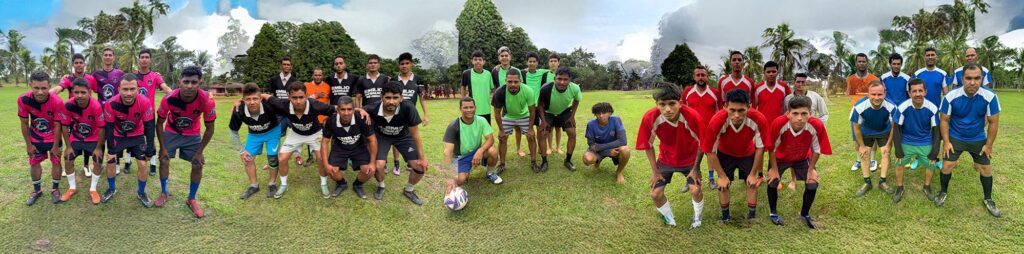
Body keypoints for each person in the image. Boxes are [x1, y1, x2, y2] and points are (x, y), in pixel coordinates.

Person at [937, 63, 1001, 217]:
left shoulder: (990, 96)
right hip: (956, 137)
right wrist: (946, 142)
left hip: (977, 137)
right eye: (969, 78)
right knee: (947, 165)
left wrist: (988, 145)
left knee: (985, 169)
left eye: (977, 78)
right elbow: (944, 120)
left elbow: (993, 122)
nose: (973, 82)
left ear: (982, 78)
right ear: (962, 78)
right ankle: (943, 192)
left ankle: (988, 199)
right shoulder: (951, 96)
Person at [637, 84, 705, 228]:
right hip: (666, 160)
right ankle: (669, 219)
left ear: (680, 103)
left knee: (696, 189)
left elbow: (703, 144)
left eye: (672, 104)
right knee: (655, 194)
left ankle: (697, 217)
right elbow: (648, 145)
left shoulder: (692, 117)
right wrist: (655, 171)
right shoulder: (650, 117)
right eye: (662, 104)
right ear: (656, 104)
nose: (667, 109)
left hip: (690, 159)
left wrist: (696, 168)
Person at [154, 66, 216, 218]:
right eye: (186, 82)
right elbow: (159, 123)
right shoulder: (169, 99)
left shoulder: (206, 100)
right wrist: (162, 148)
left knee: (198, 164)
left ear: (199, 83)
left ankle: (191, 198)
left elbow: (209, 129)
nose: (189, 86)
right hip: (172, 132)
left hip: (192, 134)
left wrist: (199, 152)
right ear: (179, 82)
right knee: (164, 160)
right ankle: (164, 192)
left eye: (194, 82)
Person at [702, 89, 769, 222]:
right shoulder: (717, 121)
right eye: (732, 110)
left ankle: (751, 216)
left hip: (747, 152)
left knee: (751, 183)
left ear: (749, 107)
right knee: (723, 185)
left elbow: (760, 147)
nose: (736, 115)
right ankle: (725, 217)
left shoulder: (758, 119)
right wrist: (721, 176)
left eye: (741, 110)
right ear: (725, 106)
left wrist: (753, 173)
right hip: (725, 153)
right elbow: (709, 150)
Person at [766, 96, 832, 229]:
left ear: (810, 114)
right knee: (773, 181)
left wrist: (811, 169)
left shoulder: (816, 125)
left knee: (812, 183)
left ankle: (804, 214)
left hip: (801, 158)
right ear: (788, 114)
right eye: (795, 113)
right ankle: (773, 212)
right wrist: (773, 169)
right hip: (780, 158)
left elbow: (817, 150)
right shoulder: (779, 123)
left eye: (804, 113)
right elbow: (772, 149)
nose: (799, 118)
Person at [263, 82, 337, 199]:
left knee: (322, 158)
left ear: (307, 95)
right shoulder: (283, 104)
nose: (298, 101)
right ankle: (283, 184)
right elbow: (265, 96)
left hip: (315, 134)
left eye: (301, 97)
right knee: (282, 159)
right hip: (295, 133)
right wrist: (240, 101)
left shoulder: (315, 105)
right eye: (294, 97)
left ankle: (323, 183)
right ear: (288, 97)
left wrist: (359, 111)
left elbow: (337, 108)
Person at [365, 82, 430, 205]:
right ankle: (381, 185)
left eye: (395, 98)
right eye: (388, 98)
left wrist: (422, 158)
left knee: (420, 166)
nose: (391, 101)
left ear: (401, 98)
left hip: (403, 137)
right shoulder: (373, 107)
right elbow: (354, 110)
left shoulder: (408, 108)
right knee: (379, 165)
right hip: (382, 137)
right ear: (381, 97)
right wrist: (361, 111)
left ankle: (409, 190)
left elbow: (415, 134)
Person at [100, 73, 157, 206]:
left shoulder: (144, 102)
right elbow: (109, 127)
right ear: (119, 89)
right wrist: (111, 150)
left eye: (132, 89)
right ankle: (111, 189)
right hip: (118, 135)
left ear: (138, 89)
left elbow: (149, 127)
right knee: (110, 161)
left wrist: (150, 148)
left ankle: (141, 192)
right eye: (125, 89)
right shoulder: (110, 103)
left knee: (143, 164)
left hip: (137, 135)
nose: (129, 93)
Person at [19, 70, 66, 205]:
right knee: (34, 163)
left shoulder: (57, 101)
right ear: (30, 85)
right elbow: (24, 123)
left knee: (56, 162)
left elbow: (58, 125)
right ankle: (37, 190)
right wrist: (28, 144)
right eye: (36, 88)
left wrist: (56, 146)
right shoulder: (24, 100)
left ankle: (55, 189)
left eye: (44, 88)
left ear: (50, 86)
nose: (40, 92)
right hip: (36, 138)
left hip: (53, 138)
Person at [891, 78, 941, 203]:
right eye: (914, 91)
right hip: (907, 139)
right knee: (899, 162)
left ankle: (927, 186)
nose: (917, 94)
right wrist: (898, 150)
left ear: (925, 91)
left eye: (920, 90)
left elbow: (936, 131)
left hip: (925, 140)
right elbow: (896, 129)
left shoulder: (933, 108)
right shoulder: (903, 107)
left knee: (931, 163)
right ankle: (899, 187)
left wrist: (934, 152)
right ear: (909, 93)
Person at [229, 84, 282, 199]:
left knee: (272, 157)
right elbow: (233, 131)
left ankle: (272, 184)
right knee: (247, 159)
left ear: (260, 98)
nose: (252, 102)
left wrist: (266, 95)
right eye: (248, 99)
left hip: (272, 132)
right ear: (243, 100)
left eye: (255, 98)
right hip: (254, 134)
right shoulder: (239, 110)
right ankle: (254, 185)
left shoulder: (269, 105)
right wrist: (241, 151)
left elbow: (284, 106)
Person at [320, 96, 378, 199]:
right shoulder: (331, 121)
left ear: (354, 109)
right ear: (337, 109)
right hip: (339, 147)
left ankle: (358, 184)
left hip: (358, 146)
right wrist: (325, 164)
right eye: (342, 109)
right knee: (332, 170)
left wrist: (372, 162)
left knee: (369, 170)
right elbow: (325, 142)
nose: (346, 113)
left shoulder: (362, 119)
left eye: (349, 109)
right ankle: (341, 183)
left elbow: (372, 140)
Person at [59, 78, 106, 204]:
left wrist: (98, 148)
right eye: (76, 92)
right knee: (68, 159)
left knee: (97, 161)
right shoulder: (68, 105)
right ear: (72, 92)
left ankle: (93, 189)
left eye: (83, 92)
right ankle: (72, 188)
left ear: (89, 92)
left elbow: (102, 128)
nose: (79, 95)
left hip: (94, 139)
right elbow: (64, 126)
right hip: (77, 138)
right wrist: (68, 146)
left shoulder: (96, 106)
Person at [444, 97, 503, 195]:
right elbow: (447, 152)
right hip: (460, 157)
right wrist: (449, 177)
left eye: (471, 107)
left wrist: (480, 151)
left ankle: (490, 173)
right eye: (465, 107)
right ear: (460, 109)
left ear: (475, 108)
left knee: (493, 151)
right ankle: (458, 181)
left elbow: (490, 139)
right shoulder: (453, 126)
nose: (469, 110)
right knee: (461, 180)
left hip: (476, 152)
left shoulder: (481, 120)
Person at [53, 53, 99, 178]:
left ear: (84, 64)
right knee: (70, 138)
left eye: (81, 62)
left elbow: (98, 91)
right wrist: (48, 94)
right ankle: (69, 165)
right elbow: (58, 88)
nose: (79, 65)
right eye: (76, 63)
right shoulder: (68, 79)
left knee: (87, 136)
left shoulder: (91, 78)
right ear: (73, 65)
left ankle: (86, 165)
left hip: (87, 112)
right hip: (72, 113)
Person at [851, 81, 896, 196]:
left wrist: (888, 144)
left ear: (884, 94)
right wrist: (861, 146)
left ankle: (882, 181)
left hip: (883, 130)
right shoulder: (859, 107)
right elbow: (856, 128)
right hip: (866, 131)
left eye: (880, 94)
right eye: (873, 94)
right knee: (864, 154)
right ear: (868, 94)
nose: (877, 97)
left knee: (886, 153)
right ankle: (867, 182)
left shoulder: (891, 106)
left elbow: (893, 127)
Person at [390, 52, 431, 176]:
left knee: (412, 138)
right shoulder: (393, 79)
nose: (404, 66)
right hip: (396, 114)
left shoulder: (418, 79)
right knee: (396, 139)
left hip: (411, 115)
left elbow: (422, 98)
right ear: (399, 66)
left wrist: (426, 114)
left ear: (411, 64)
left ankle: (409, 161)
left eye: (407, 63)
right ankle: (396, 164)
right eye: (402, 64)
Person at [136, 48, 175, 177]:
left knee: (150, 139)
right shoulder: (133, 75)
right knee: (133, 137)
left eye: (147, 57)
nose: (144, 59)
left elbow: (165, 88)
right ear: (139, 59)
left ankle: (152, 163)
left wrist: (177, 95)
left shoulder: (155, 76)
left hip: (149, 115)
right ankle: (128, 161)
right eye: (142, 57)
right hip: (134, 114)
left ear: (150, 60)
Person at [492, 68, 538, 173]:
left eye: (516, 82)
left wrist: (530, 128)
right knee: (502, 138)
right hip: (508, 116)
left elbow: (532, 111)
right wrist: (501, 130)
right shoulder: (499, 92)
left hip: (524, 116)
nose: (513, 84)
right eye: (510, 82)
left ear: (520, 81)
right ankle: (502, 164)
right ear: (505, 81)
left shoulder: (528, 90)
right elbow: (497, 113)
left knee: (531, 137)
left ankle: (533, 162)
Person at [92, 48, 131, 174]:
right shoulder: (96, 74)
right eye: (105, 55)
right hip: (101, 112)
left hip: (116, 111)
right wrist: (67, 76)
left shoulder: (120, 74)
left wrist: (155, 74)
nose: (108, 57)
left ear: (113, 57)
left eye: (110, 55)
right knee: (101, 138)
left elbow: (132, 80)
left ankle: (117, 162)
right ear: (102, 57)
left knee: (115, 137)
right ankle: (99, 162)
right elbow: (84, 82)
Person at [537, 67, 582, 172]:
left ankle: (568, 160)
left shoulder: (575, 88)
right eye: (559, 79)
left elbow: (576, 101)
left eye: (565, 79)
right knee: (542, 134)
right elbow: (540, 105)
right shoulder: (545, 88)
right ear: (554, 78)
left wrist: (572, 116)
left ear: (570, 80)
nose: (562, 82)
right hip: (548, 112)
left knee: (572, 133)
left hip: (564, 112)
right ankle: (544, 161)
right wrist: (543, 121)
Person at [682, 66, 720, 191]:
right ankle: (690, 178)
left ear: (707, 77)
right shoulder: (687, 91)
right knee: (692, 156)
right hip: (692, 132)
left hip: (709, 131)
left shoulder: (715, 93)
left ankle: (711, 178)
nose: (700, 77)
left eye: (703, 75)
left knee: (710, 154)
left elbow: (719, 112)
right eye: (698, 75)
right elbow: (682, 110)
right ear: (694, 77)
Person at [846, 53, 880, 172]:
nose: (861, 63)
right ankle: (859, 160)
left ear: (867, 63)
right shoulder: (850, 79)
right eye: (859, 61)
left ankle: (872, 160)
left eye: (863, 61)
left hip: (871, 113)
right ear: (856, 63)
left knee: (873, 137)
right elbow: (850, 96)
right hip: (856, 113)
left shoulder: (874, 79)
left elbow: (878, 95)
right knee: (857, 137)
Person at [582, 102, 630, 184]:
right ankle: (597, 162)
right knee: (587, 159)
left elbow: (623, 141)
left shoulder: (616, 120)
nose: (601, 116)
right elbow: (591, 145)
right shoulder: (591, 124)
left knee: (625, 150)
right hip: (600, 150)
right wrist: (608, 152)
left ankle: (618, 172)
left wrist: (603, 148)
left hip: (611, 149)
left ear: (610, 113)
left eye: (604, 113)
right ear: (595, 114)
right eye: (598, 113)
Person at [519, 51, 549, 158]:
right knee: (529, 131)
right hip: (527, 108)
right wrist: (498, 66)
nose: (531, 63)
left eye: (534, 61)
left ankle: (541, 149)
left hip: (539, 107)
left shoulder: (541, 72)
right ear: (527, 62)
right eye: (529, 61)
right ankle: (532, 150)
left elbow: (553, 69)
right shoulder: (522, 73)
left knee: (540, 129)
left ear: (537, 63)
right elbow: (510, 70)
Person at [302, 68, 331, 166]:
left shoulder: (327, 86)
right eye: (316, 75)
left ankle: (324, 157)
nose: (318, 77)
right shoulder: (306, 86)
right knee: (310, 138)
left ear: (322, 76)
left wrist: (328, 116)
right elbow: (303, 100)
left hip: (324, 118)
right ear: (312, 76)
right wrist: (315, 95)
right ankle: (310, 157)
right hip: (311, 118)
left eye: (320, 75)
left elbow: (328, 102)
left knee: (324, 139)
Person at [461, 50, 496, 124]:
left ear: (484, 62)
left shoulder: (488, 74)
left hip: (486, 109)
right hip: (471, 109)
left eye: (480, 60)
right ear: (472, 61)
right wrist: (463, 101)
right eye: (475, 59)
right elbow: (463, 87)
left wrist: (494, 101)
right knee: (474, 133)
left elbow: (493, 89)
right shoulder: (467, 73)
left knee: (487, 132)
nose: (477, 61)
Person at [546, 54, 566, 155]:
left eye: (555, 61)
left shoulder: (563, 74)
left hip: (560, 107)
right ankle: (549, 147)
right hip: (548, 107)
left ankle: (558, 147)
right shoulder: (544, 73)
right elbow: (531, 70)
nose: (553, 63)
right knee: (550, 128)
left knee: (558, 128)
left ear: (558, 62)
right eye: (551, 61)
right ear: (548, 63)